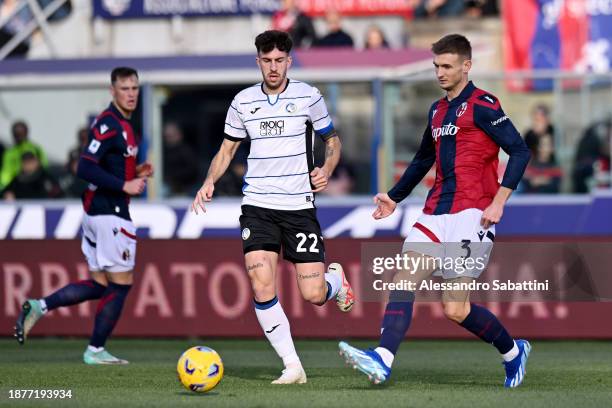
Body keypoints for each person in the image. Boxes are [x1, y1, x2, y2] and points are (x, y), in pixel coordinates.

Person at [338, 34, 532, 388]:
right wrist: (395, 197)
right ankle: (383, 358)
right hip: (434, 211)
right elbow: (424, 158)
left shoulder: (485, 104)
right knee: (403, 279)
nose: (439, 73)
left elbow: (520, 151)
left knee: (455, 308)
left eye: (446, 66)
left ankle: (513, 351)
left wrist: (499, 201)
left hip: (474, 213)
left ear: (466, 66)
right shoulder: (437, 110)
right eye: (435, 66)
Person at [191, 30, 355, 385]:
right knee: (259, 280)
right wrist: (209, 182)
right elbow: (227, 151)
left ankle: (335, 282)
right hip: (258, 206)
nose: (273, 67)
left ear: (289, 61)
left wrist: (326, 169)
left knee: (312, 295)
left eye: (279, 60)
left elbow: (333, 141)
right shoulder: (243, 102)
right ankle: (292, 365)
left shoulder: (308, 96)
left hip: (298, 207)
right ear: (258, 62)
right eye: (267, 61)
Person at [14, 67, 153, 365]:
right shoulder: (109, 123)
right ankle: (95, 349)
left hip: (96, 212)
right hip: (110, 213)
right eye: (124, 88)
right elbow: (85, 167)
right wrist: (125, 184)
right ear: (112, 91)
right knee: (121, 284)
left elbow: (108, 165)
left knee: (101, 284)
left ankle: (40, 305)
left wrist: (135, 172)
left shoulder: (126, 126)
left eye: (134, 89)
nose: (130, 94)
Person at [0, 120, 48, 190]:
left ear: (26, 132)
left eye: (21, 133)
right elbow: (5, 174)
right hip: (15, 186)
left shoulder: (36, 149)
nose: (19, 136)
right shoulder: (9, 153)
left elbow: (44, 167)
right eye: (17, 134)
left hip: (35, 184)